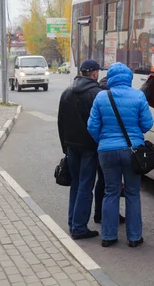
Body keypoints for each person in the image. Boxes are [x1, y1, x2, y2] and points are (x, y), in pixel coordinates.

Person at [88, 62, 154, 248]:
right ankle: (134, 237)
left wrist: (103, 140)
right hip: (132, 151)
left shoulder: (101, 97)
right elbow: (147, 124)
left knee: (111, 191)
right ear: (128, 78)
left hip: (107, 151)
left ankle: (108, 236)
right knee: (133, 193)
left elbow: (92, 126)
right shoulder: (138, 96)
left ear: (110, 78)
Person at [57, 59, 103, 240]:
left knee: (76, 184)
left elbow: (60, 122)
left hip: (71, 146)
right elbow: (98, 124)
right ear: (94, 73)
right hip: (89, 147)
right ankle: (79, 228)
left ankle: (73, 222)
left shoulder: (67, 92)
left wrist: (65, 148)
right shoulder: (96, 94)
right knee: (86, 185)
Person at [94, 75, 125, 225]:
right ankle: (109, 216)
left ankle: (99, 214)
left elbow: (93, 125)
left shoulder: (98, 94)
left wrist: (98, 139)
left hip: (102, 146)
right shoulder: (109, 94)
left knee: (102, 181)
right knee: (112, 185)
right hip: (111, 146)